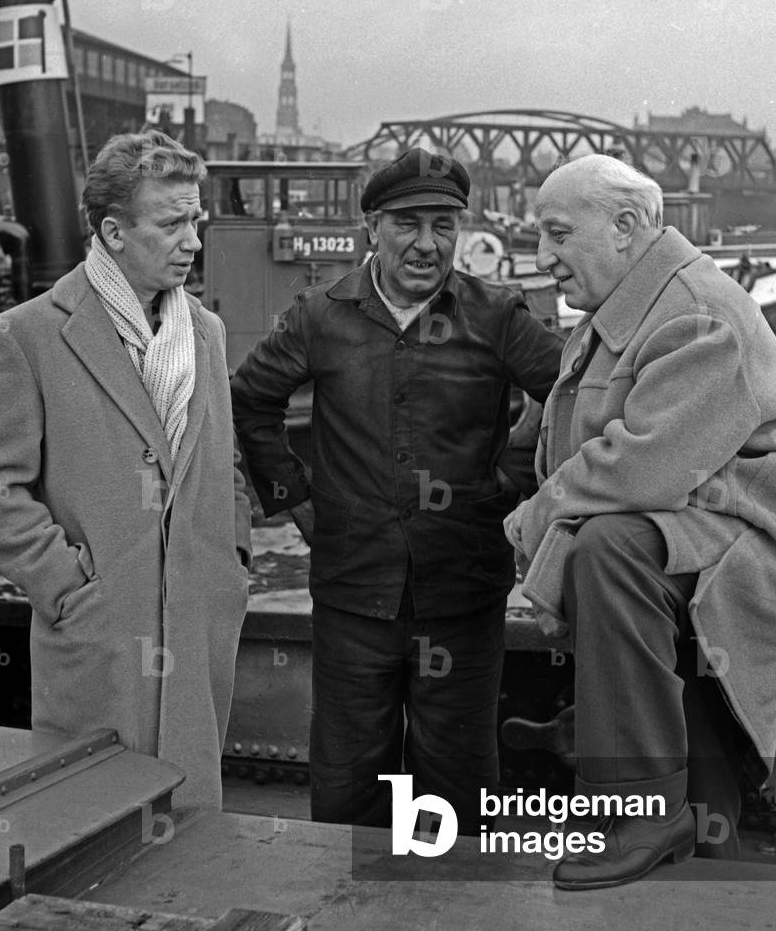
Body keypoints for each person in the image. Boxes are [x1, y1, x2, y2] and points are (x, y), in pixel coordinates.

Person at [505, 153, 776, 889]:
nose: (543, 259)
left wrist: (535, 520)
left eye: (559, 235)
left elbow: (647, 464)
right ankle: (672, 835)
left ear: (627, 227)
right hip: (702, 523)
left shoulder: (695, 312)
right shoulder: (623, 310)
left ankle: (640, 809)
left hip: (773, 533)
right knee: (612, 554)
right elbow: (566, 442)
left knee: (608, 547)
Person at [230, 147, 563, 834]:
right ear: (372, 230)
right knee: (351, 773)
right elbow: (250, 400)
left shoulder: (496, 315)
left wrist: (507, 482)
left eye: (443, 225)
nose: (426, 243)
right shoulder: (321, 317)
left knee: (458, 776)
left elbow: (567, 396)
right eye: (408, 224)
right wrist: (297, 501)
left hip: (462, 588)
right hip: (354, 586)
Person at [0, 130, 252, 808]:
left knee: (190, 831)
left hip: (198, 619)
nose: (193, 241)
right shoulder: (23, 337)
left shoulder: (206, 332)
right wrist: (66, 587)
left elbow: (222, 455)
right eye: (172, 224)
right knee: (90, 828)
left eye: (195, 220)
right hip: (99, 630)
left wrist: (230, 559)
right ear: (114, 233)